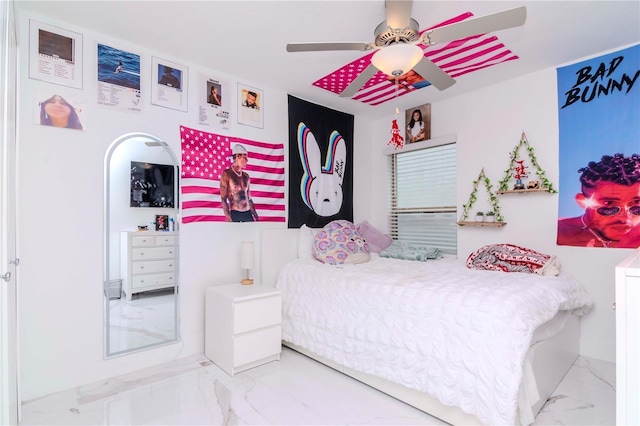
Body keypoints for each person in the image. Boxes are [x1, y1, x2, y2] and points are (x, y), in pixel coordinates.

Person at [557, 153, 640, 248]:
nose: (624, 217)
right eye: (609, 203)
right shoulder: (556, 232)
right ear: (582, 201)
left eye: (637, 203)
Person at [220, 144, 259, 222]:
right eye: (244, 157)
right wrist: (228, 217)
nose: (247, 160)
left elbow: (249, 198)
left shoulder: (246, 176)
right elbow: (223, 199)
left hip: (247, 213)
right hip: (235, 213)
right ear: (237, 156)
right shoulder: (227, 174)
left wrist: (255, 214)